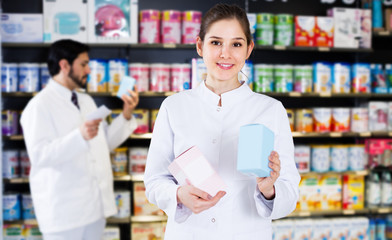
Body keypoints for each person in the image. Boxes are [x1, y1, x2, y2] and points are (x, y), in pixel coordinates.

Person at [144, 3, 300, 239]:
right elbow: (155, 180)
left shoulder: (270, 110)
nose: (225, 54)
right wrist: (177, 194)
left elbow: (289, 192)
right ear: (200, 46)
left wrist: (270, 190)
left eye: (236, 44)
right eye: (216, 42)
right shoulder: (174, 107)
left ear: (248, 49)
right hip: (189, 233)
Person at [20, 39, 139, 240]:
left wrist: (126, 114)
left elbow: (103, 144)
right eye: (83, 64)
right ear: (64, 65)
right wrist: (79, 137)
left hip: (94, 208)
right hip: (63, 214)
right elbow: (40, 155)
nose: (89, 71)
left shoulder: (85, 100)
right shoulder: (39, 106)